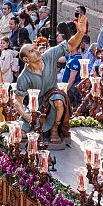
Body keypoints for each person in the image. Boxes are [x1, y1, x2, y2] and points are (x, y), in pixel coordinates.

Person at [13, 15, 88, 145]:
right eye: (31, 51)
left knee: (58, 98)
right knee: (21, 133)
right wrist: (26, 115)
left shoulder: (49, 56)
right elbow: (17, 101)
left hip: (52, 97)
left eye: (35, 48)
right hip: (36, 106)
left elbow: (70, 45)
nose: (36, 51)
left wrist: (80, 33)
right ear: (26, 59)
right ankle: (38, 131)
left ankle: (55, 128)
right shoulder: (23, 77)